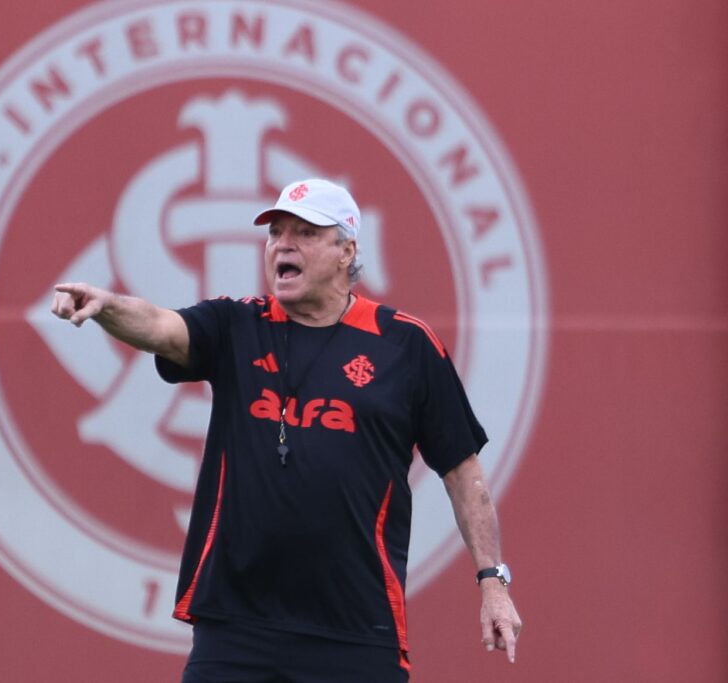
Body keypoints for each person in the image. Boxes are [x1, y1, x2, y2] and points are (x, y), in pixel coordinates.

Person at [52, 178, 522, 682]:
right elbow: (161, 328)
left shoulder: (405, 345)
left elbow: (463, 474)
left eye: (306, 233)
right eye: (275, 232)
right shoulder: (236, 325)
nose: (284, 244)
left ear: (347, 251)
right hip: (236, 627)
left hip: (355, 630)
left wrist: (492, 581)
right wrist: (107, 307)